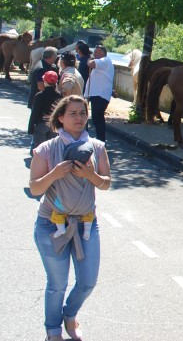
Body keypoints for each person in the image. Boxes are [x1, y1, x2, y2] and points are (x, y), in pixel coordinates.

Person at [29, 94, 111, 341]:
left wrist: (91, 175)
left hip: (87, 224)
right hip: (51, 225)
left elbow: (106, 183)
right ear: (61, 118)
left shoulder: (97, 147)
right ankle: (53, 331)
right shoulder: (46, 149)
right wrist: (54, 174)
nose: (79, 117)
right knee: (57, 284)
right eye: (73, 113)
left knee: (87, 281)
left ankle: (70, 314)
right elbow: (34, 188)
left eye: (83, 113)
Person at [84, 44, 114, 142]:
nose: (94, 54)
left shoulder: (105, 60)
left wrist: (89, 59)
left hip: (100, 95)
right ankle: (100, 140)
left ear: (102, 52)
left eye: (96, 52)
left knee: (98, 118)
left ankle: (101, 140)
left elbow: (91, 64)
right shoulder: (102, 64)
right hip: (97, 94)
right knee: (96, 118)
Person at [28, 71, 63, 151]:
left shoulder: (39, 95)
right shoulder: (59, 96)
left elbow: (34, 113)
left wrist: (30, 128)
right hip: (53, 125)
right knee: (51, 149)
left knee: (39, 149)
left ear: (45, 81)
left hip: (41, 124)